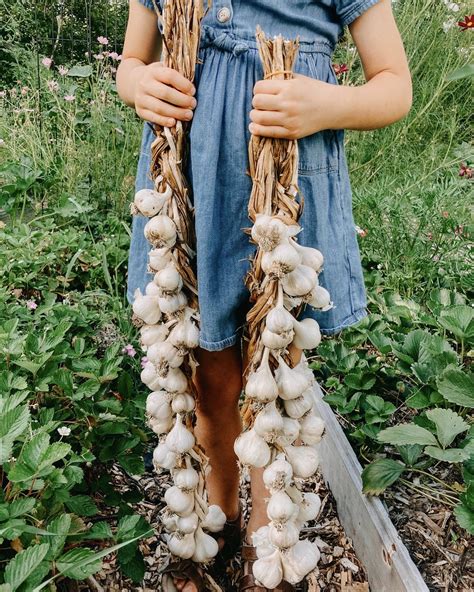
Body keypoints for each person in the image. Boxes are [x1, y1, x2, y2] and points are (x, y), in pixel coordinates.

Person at [117, 1, 412, 590]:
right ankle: (213, 517)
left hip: (285, 187)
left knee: (275, 370)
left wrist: (332, 104)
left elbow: (394, 87)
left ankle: (266, 542)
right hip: (190, 184)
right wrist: (139, 84)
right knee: (206, 373)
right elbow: (131, 61)